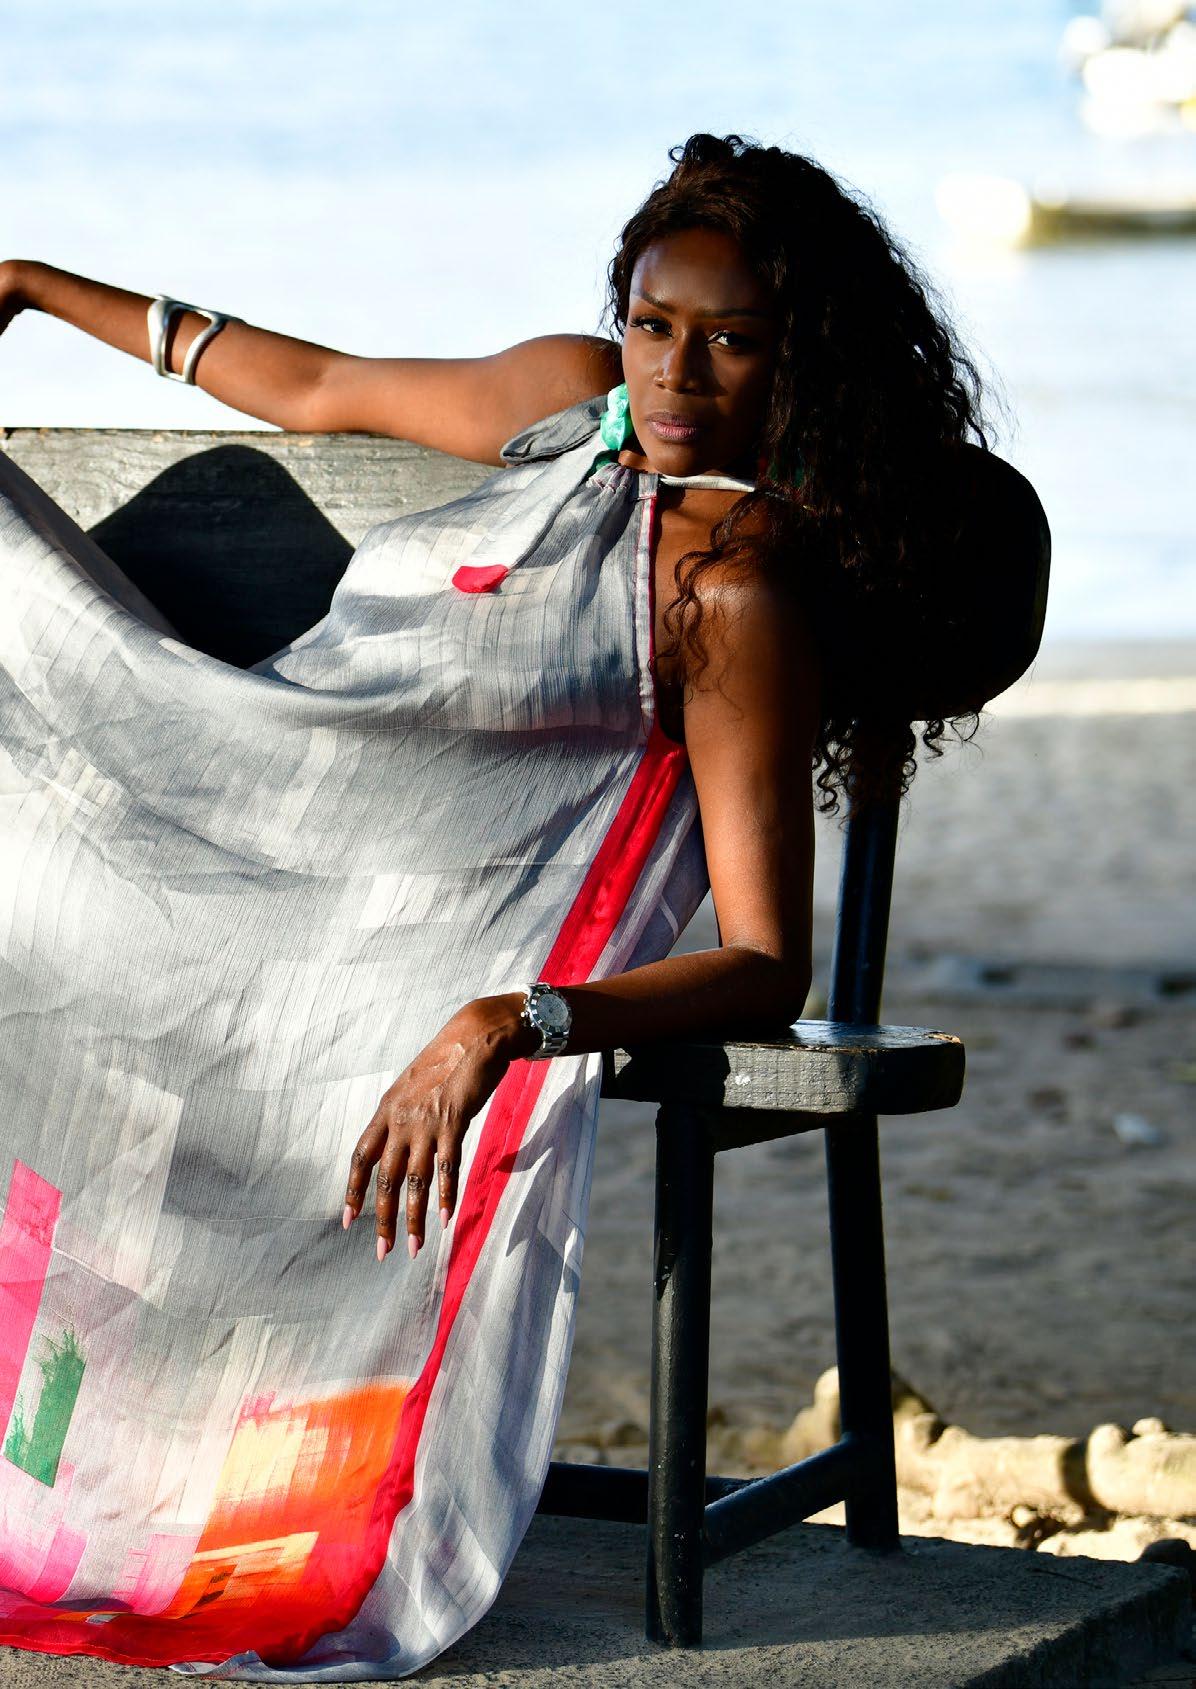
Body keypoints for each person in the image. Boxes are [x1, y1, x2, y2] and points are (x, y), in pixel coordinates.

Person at [0, 134, 989, 1678]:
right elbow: (315, 386)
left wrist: (505, 1021)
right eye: (654, 322)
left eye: (732, 341)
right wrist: (32, 283)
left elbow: (763, 963)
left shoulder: (731, 589)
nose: (675, 375)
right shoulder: (571, 401)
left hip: (368, 949)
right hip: (233, 796)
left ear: (805, 364)